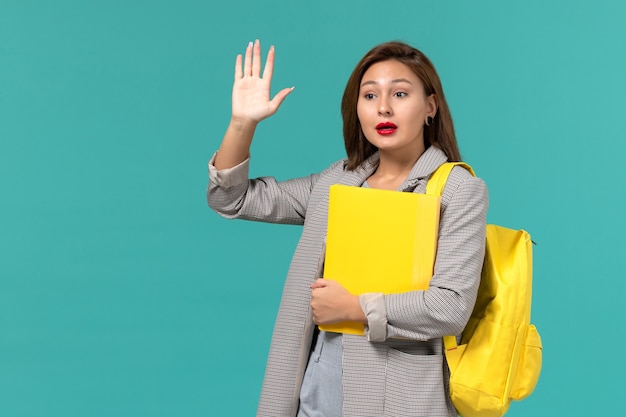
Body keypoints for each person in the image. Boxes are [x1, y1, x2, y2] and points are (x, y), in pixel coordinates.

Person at [207, 39, 488, 417]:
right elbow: (232, 198)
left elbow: (449, 306)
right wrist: (242, 123)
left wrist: (355, 307)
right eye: (369, 95)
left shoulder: (458, 190)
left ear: (430, 107)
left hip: (402, 398)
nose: (383, 107)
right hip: (319, 389)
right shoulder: (337, 182)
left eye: (400, 93)